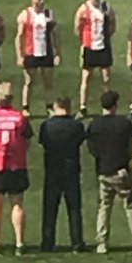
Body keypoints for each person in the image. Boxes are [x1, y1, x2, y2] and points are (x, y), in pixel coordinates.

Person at [0, 82, 32, 257]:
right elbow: (27, 141)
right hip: (16, 165)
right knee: (17, 204)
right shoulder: (20, 118)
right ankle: (19, 243)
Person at [86, 90, 132, 254]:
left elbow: (92, 148)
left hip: (103, 171)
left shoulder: (95, 125)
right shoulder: (124, 124)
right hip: (122, 171)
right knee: (130, 206)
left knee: (104, 207)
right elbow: (131, 145)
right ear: (115, 105)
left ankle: (102, 243)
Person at [39, 97, 86, 253]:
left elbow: (44, 142)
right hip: (71, 170)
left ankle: (48, 242)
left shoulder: (47, 126)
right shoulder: (76, 125)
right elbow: (79, 141)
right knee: (74, 208)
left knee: (50, 209)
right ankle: (77, 242)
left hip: (52, 170)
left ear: (55, 107)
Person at [16, 0, 60, 115]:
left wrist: (57, 53)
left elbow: (56, 34)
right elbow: (19, 36)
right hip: (31, 52)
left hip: (47, 52)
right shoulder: (25, 15)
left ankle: (49, 107)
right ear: (33, 0)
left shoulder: (49, 14)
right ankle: (26, 107)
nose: (42, 1)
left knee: (48, 82)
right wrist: (19, 55)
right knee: (29, 81)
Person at [75, 0, 115, 116]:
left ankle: (106, 106)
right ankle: (83, 106)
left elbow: (113, 22)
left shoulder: (106, 7)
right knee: (86, 77)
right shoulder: (84, 9)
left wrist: (109, 34)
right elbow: (77, 25)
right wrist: (83, 40)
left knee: (106, 78)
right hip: (89, 47)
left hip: (103, 46)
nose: (95, 0)